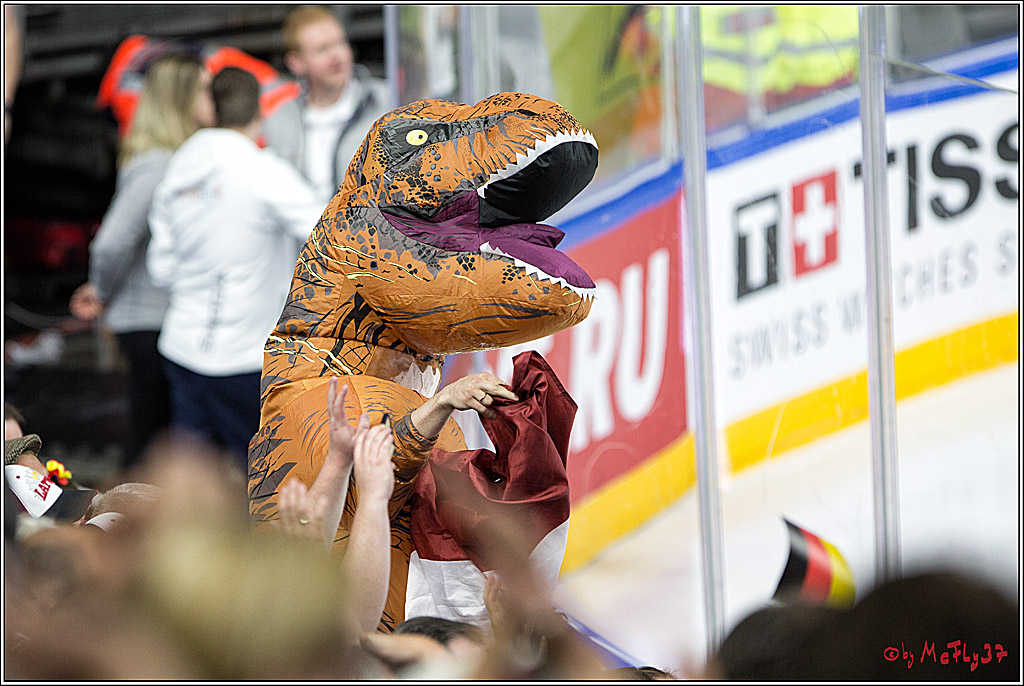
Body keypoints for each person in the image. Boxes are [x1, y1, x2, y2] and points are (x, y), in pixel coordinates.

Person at [146, 66, 323, 472]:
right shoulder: (263, 171)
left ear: (209, 110)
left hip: (182, 347)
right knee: (261, 483)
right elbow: (326, 231)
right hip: (245, 357)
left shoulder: (178, 168)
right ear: (259, 110)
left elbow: (161, 268)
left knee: (194, 484)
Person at [70, 52, 215, 472]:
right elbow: (113, 241)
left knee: (166, 437)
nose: (213, 97)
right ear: (180, 97)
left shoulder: (180, 157)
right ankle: (122, 525)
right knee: (153, 441)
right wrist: (101, 291)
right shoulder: (156, 165)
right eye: (205, 88)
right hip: (148, 321)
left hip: (163, 318)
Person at [262, 5, 391, 204]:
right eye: (322, 49)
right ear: (296, 62)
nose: (336, 56)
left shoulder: (386, 101)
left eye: (340, 43)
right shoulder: (279, 120)